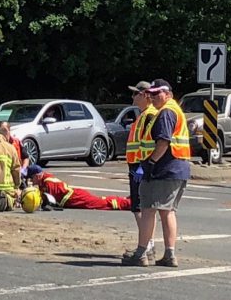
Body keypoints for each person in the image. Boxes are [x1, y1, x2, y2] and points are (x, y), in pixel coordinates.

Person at [122, 79, 190, 267]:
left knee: (148, 210)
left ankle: (142, 252)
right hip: (177, 168)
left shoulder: (166, 112)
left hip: (164, 169)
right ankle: (169, 254)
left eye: (157, 92)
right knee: (167, 212)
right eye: (151, 93)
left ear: (168, 93)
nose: (152, 96)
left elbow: (163, 141)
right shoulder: (172, 110)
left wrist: (150, 163)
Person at [124, 81, 158, 259]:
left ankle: (147, 246)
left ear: (145, 95)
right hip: (138, 165)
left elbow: (151, 144)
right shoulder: (144, 115)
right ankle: (148, 245)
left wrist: (142, 168)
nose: (133, 97)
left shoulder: (150, 116)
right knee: (142, 208)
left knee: (141, 208)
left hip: (141, 166)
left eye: (135, 94)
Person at [27, 165, 131, 210]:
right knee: (101, 201)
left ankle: (129, 203)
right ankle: (126, 200)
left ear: (37, 176)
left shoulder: (48, 182)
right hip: (74, 198)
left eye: (32, 178)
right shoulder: (44, 181)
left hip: (76, 198)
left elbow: (47, 201)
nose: (31, 181)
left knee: (103, 204)